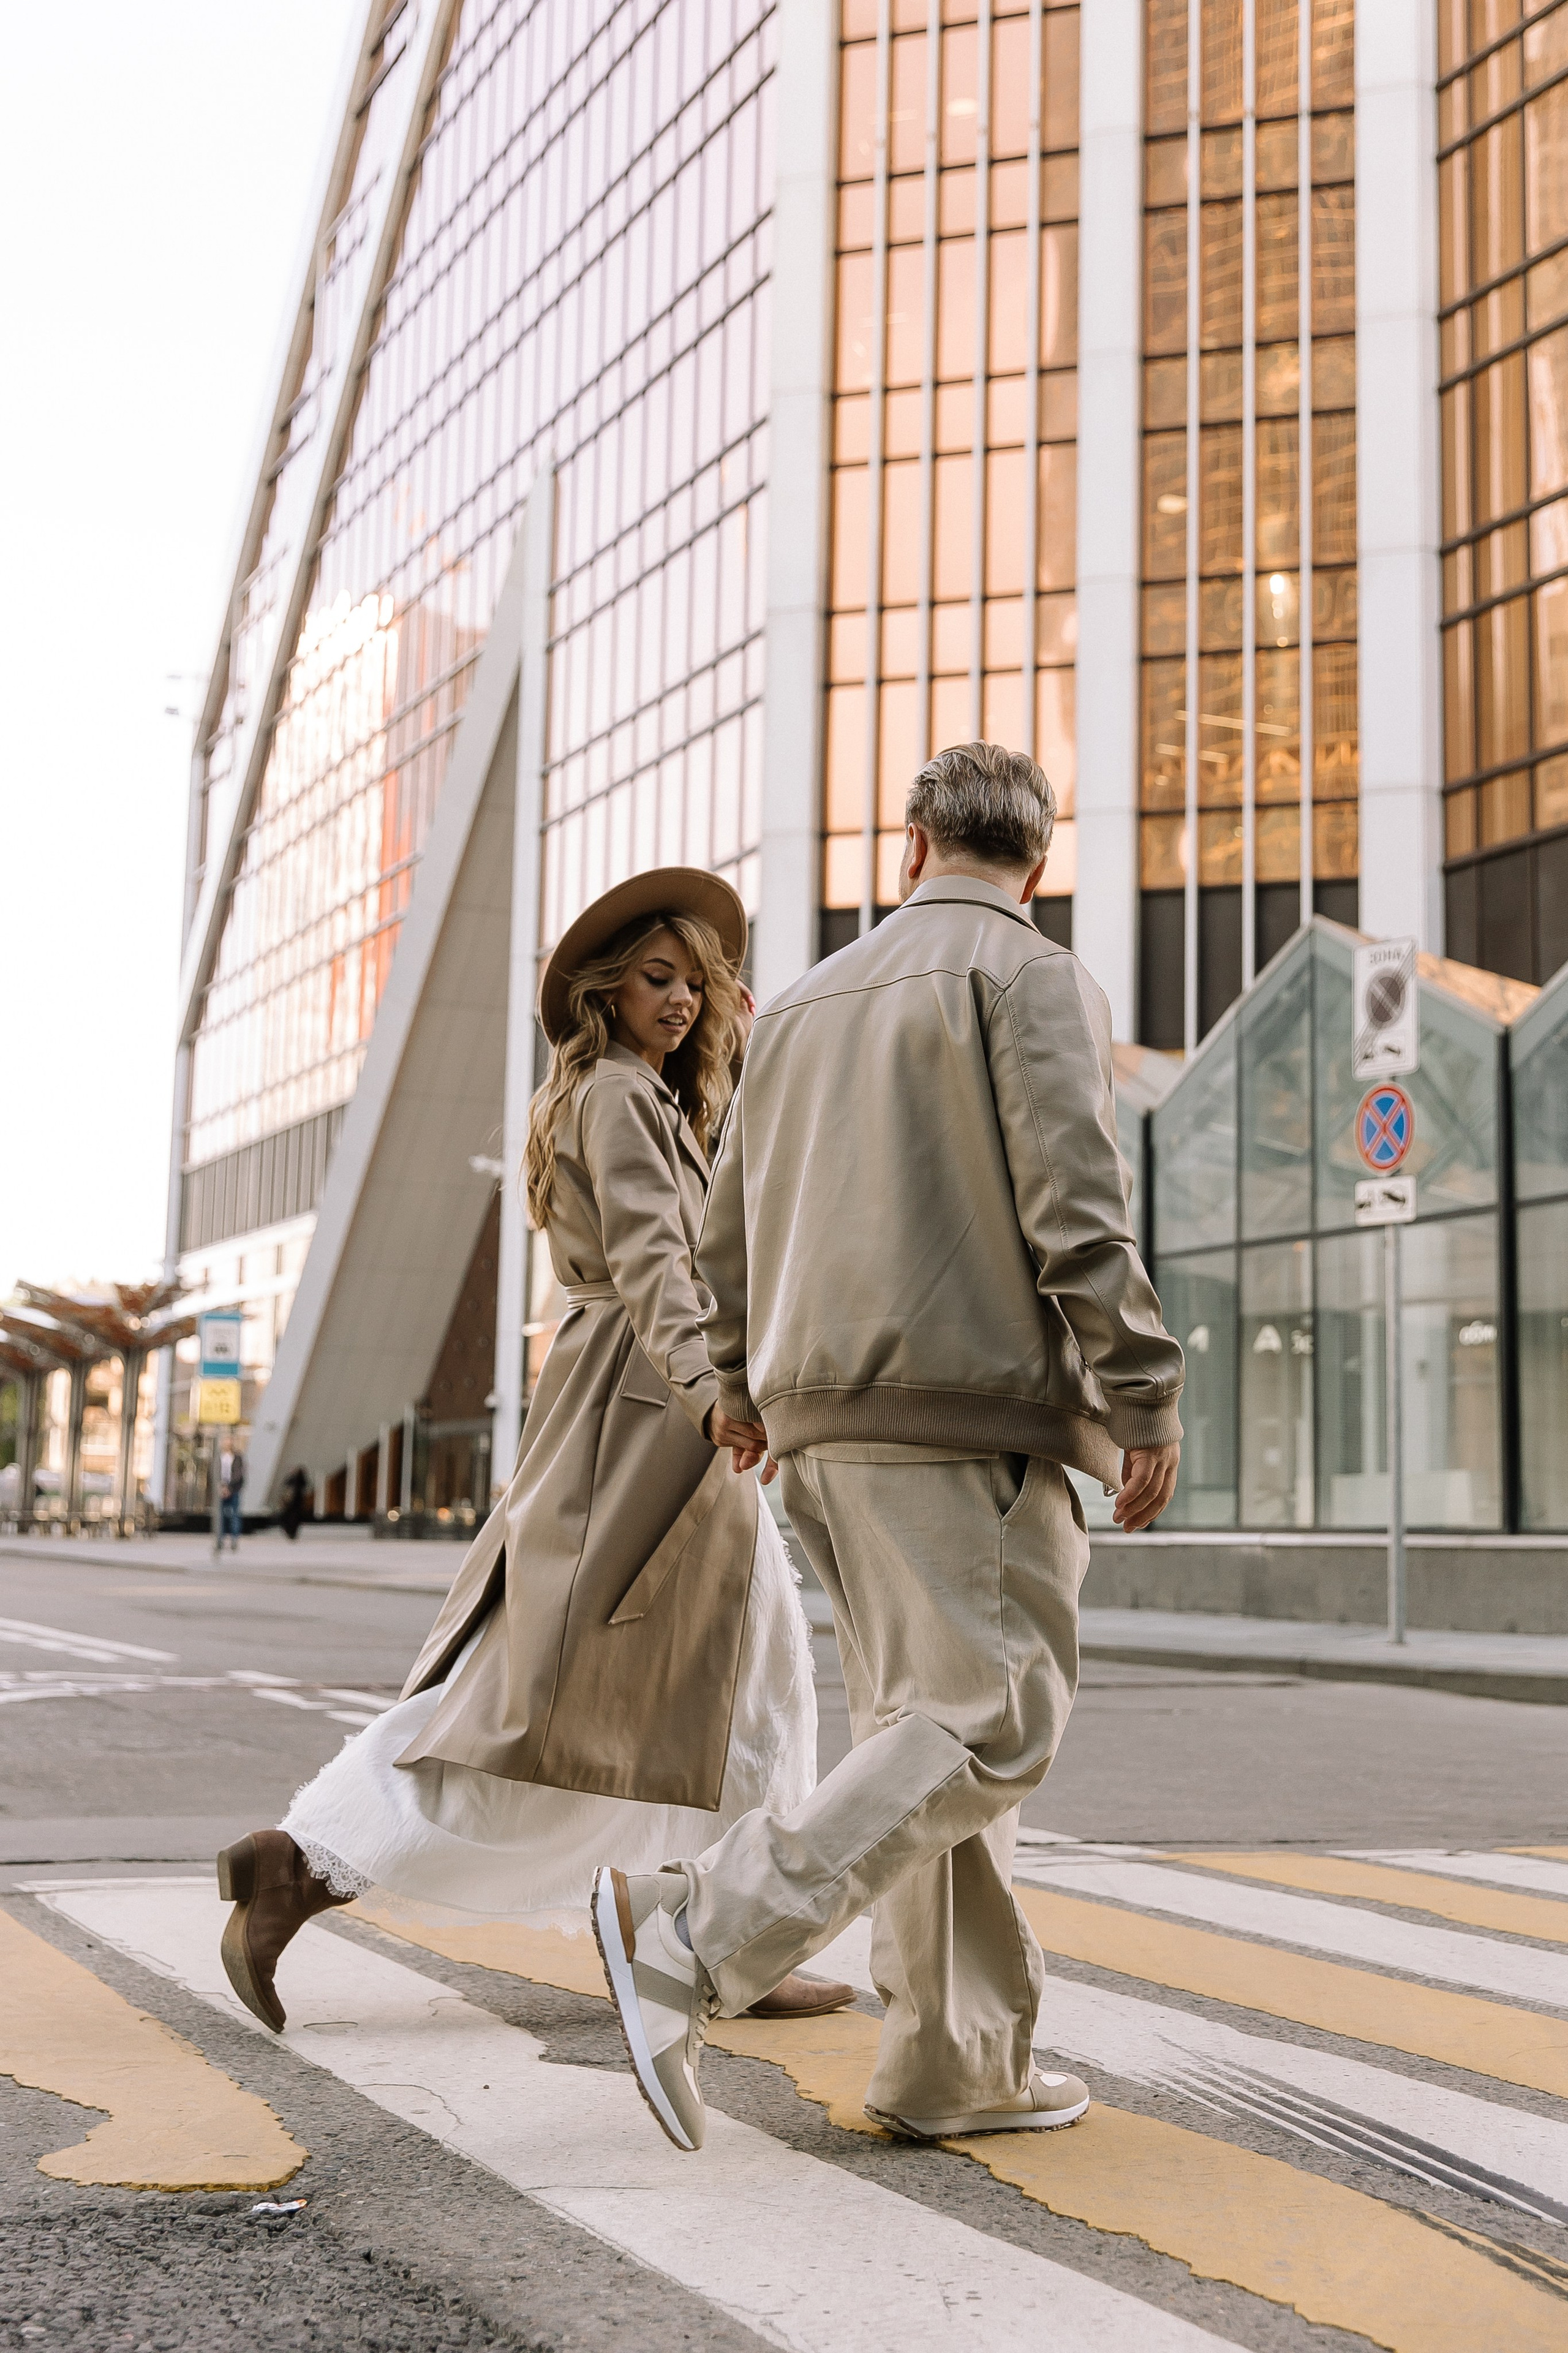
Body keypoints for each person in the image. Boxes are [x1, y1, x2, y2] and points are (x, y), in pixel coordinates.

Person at [593, 744, 1185, 2154]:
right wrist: (1140, 1393)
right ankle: (693, 1928)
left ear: (906, 847)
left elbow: (721, 1229)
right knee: (988, 1719)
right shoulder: (1027, 976)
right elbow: (1076, 1215)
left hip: (814, 1430)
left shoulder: (791, 1006)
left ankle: (952, 2057)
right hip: (959, 1417)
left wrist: (731, 1382)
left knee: (922, 1732)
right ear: (1034, 863)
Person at [216, 867, 851, 2035]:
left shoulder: (642, 1097)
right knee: (571, 1699)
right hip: (648, 1413)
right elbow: (664, 1266)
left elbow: (717, 1206)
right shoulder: (617, 1098)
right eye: (657, 980)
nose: (681, 1001)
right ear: (605, 994)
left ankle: (722, 1942)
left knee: (690, 1687)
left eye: (694, 983)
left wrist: (744, 1052)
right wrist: (714, 1388)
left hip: (639, 1406)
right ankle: (305, 1863)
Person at [217, 1446, 245, 1554]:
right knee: (221, 1516)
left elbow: (239, 1475)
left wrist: (230, 1488)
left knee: (235, 1515)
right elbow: (215, 1473)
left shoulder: (238, 1458)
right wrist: (221, 1487)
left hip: (234, 1490)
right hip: (221, 1491)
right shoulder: (219, 1457)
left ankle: (234, 1539)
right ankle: (220, 1539)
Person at [278, 1467, 310, 1542]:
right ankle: (293, 1533)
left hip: (291, 1504)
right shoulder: (302, 1480)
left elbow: (285, 1488)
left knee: (289, 1518)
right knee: (295, 1519)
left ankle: (291, 1532)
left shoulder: (292, 1480)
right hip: (297, 1504)